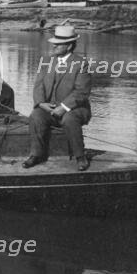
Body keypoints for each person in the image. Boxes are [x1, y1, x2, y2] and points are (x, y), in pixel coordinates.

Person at [23, 25, 92, 171]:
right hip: (50, 108)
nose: (54, 45)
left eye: (58, 43)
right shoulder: (47, 61)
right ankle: (36, 154)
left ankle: (80, 156)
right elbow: (38, 86)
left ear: (69, 46)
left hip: (75, 109)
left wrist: (64, 107)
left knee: (69, 119)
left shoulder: (81, 64)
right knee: (36, 116)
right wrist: (41, 103)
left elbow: (82, 92)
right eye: (54, 42)